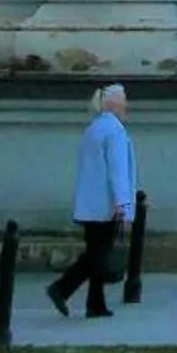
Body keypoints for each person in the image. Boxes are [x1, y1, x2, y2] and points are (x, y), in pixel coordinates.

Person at [48, 83, 136, 318]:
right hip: (106, 205)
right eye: (123, 100)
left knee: (96, 254)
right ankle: (62, 288)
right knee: (96, 256)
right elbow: (118, 172)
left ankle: (95, 304)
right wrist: (124, 207)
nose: (127, 105)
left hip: (90, 204)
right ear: (113, 103)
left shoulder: (94, 128)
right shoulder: (115, 131)